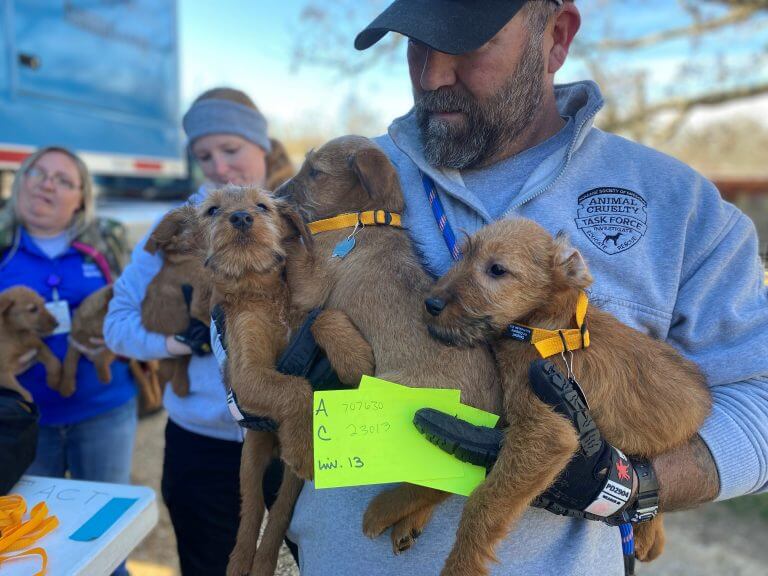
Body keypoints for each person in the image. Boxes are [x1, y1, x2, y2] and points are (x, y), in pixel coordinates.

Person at [285, 1, 768, 575]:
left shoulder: (680, 205)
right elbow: (236, 271)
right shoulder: (351, 169)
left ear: (556, 37)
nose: (433, 76)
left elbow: (758, 402)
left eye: (466, 45)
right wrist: (251, 347)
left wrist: (634, 486)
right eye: (416, 44)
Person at [104, 87, 296, 575]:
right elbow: (117, 321)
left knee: (308, 560)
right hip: (202, 441)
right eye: (203, 155)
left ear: (262, 145)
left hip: (288, 436)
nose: (219, 167)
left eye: (230, 149)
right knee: (208, 562)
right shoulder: (178, 226)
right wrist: (173, 344)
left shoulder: (294, 217)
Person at [0, 147, 135, 575]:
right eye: (37, 173)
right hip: (21, 422)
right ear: (19, 183)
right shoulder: (3, 248)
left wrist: (119, 341)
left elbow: (140, 309)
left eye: (63, 179)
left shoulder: (106, 246)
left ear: (81, 198)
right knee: (34, 539)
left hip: (104, 411)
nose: (47, 183)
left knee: (108, 537)